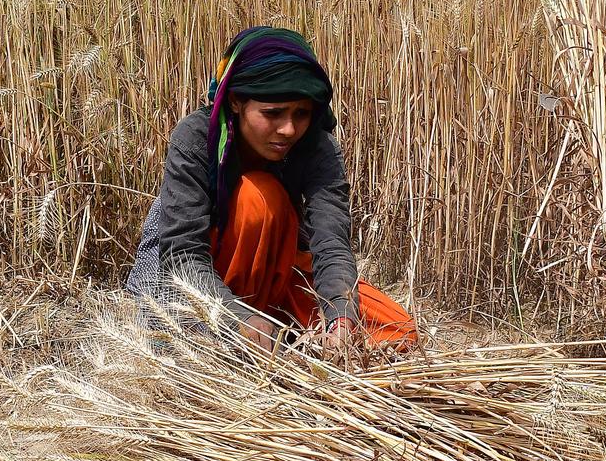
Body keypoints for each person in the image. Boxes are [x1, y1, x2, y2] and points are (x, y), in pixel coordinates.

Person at [127, 25, 417, 351]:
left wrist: (340, 318)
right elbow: (182, 254)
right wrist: (236, 317)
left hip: (280, 273)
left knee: (396, 332)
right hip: (198, 287)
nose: (289, 129)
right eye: (273, 113)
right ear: (236, 102)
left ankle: (282, 337)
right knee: (259, 198)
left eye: (302, 114)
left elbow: (331, 244)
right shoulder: (196, 139)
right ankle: (238, 342)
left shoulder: (318, 149)